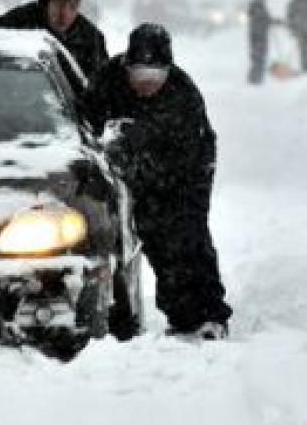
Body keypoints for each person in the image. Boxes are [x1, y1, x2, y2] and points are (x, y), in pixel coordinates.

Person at [79, 23, 233, 340]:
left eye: (154, 78)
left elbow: (184, 160)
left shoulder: (183, 96)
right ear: (127, 68)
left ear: (167, 71)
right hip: (134, 166)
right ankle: (182, 312)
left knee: (186, 233)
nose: (145, 86)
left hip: (187, 170)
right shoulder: (107, 81)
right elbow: (85, 122)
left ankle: (210, 313)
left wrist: (144, 148)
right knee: (153, 237)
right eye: (139, 77)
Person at [0, 0, 108, 87]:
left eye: (73, 6)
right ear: (45, 3)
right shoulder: (15, 24)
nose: (65, 14)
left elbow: (102, 89)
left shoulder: (91, 39)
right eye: (59, 5)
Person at [247, 0, 274, 84]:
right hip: (258, 34)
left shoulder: (259, 3)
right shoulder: (257, 3)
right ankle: (255, 79)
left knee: (259, 56)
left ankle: (256, 78)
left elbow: (263, 18)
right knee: (258, 56)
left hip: (259, 33)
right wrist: (270, 21)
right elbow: (260, 17)